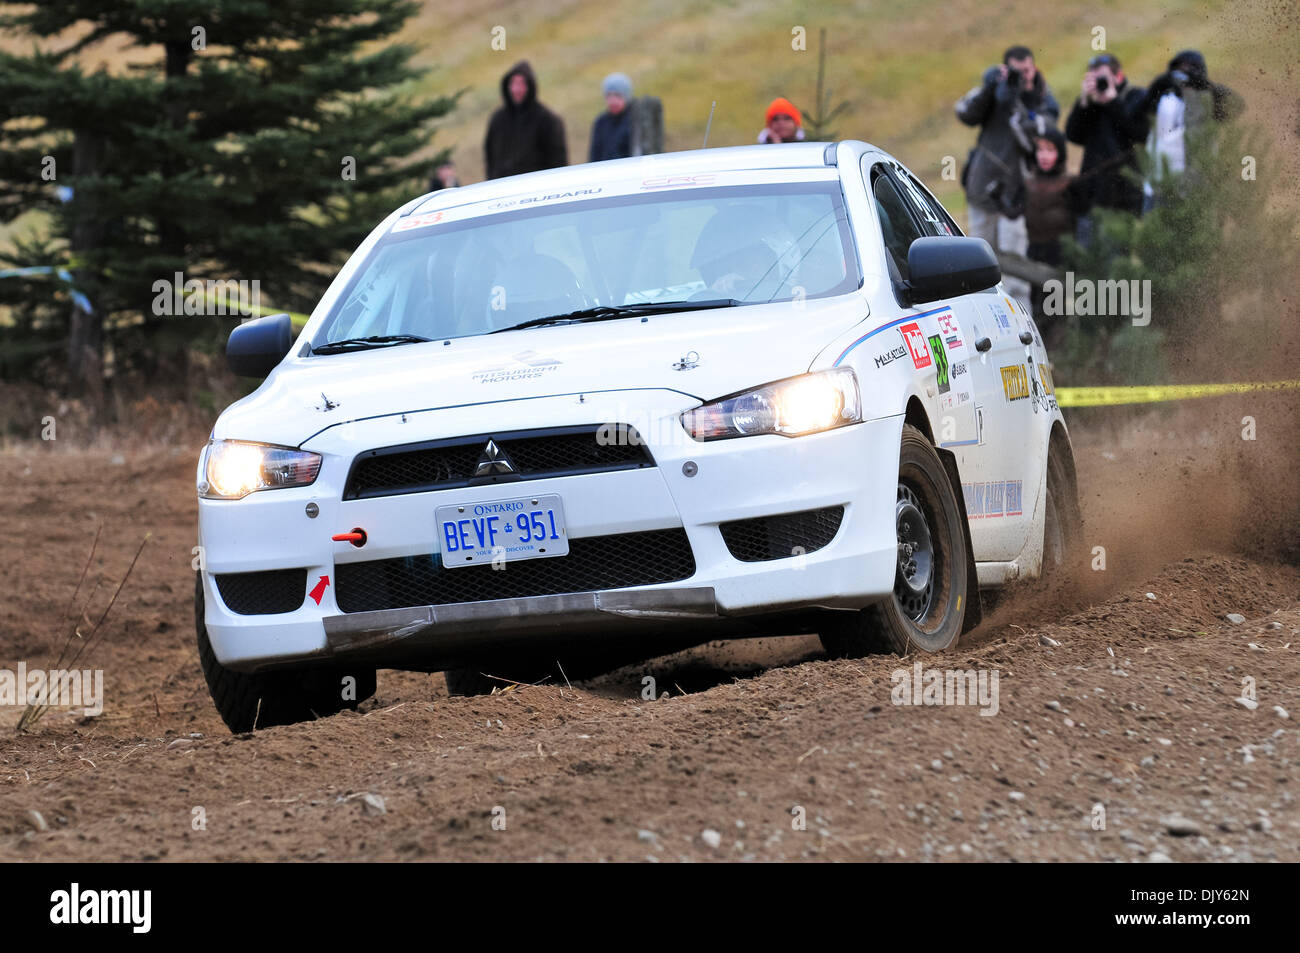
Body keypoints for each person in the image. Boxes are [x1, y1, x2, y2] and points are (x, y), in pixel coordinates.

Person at [955, 46, 1059, 296]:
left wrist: (1016, 108)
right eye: (1016, 72)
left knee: (1014, 262)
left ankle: (1022, 322)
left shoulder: (1044, 100)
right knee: (980, 259)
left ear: (1034, 68)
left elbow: (1038, 137)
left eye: (1027, 70)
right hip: (983, 188)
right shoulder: (995, 91)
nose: (1022, 77)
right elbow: (964, 113)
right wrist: (990, 88)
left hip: (1016, 194)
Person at [1140, 50, 1243, 211]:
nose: (1183, 77)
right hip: (1158, 188)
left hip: (1195, 189)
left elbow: (1237, 106)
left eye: (1190, 70)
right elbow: (1135, 114)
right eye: (1179, 71)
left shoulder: (1208, 102)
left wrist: (1206, 85)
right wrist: (1158, 84)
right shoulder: (1163, 97)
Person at [1064, 53, 1148, 244]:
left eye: (1102, 77)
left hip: (1123, 197)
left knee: (1116, 259)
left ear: (1118, 76)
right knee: (1086, 260)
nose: (1098, 83)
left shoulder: (1135, 97)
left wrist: (1112, 102)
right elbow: (1072, 135)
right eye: (1093, 78)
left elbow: (1139, 132)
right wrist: (1084, 102)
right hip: (1091, 196)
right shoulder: (1092, 104)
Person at [484, 60, 568, 180]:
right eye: (513, 83)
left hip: (534, 190)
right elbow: (490, 158)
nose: (517, 89)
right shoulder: (497, 120)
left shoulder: (547, 120)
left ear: (530, 86)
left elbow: (558, 162)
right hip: (502, 189)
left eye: (522, 83)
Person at [589, 73, 634, 162]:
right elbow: (594, 156)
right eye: (609, 95)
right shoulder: (601, 123)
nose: (613, 100)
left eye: (617, 95)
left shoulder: (635, 122)